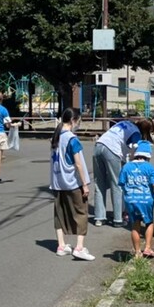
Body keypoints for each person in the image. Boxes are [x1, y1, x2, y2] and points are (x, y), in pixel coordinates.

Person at [92, 118, 154, 226]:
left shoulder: (125, 123)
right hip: (112, 150)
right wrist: (133, 162)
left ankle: (99, 218)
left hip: (98, 146)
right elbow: (134, 147)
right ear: (145, 130)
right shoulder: (136, 133)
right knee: (117, 184)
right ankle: (118, 219)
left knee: (99, 183)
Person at [50, 108, 94, 260]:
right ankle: (79, 247)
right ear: (73, 120)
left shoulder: (56, 136)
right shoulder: (72, 139)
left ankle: (61, 245)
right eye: (79, 121)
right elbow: (78, 164)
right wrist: (85, 184)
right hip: (72, 182)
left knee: (59, 214)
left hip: (57, 182)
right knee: (81, 212)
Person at [118, 141, 154, 259]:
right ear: (148, 156)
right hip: (146, 199)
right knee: (149, 222)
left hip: (131, 200)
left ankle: (137, 252)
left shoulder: (126, 167)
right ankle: (148, 248)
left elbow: (121, 183)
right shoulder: (149, 167)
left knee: (135, 224)